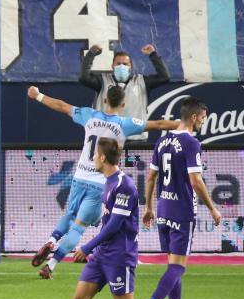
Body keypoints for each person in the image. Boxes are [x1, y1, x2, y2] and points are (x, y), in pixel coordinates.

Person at [26, 85, 178, 279]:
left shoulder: (89, 115)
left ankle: (51, 239)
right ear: (123, 104)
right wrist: (182, 126)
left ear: (105, 100)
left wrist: (38, 95)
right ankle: (51, 265)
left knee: (70, 214)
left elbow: (62, 106)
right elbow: (157, 125)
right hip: (99, 184)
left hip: (79, 177)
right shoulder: (125, 124)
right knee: (79, 226)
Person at [39, 138, 146, 299]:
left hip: (120, 254)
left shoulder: (124, 185)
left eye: (96, 155)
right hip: (102, 253)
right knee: (80, 298)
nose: (93, 158)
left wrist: (86, 247)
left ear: (104, 158)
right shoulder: (107, 182)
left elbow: (114, 225)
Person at [139, 98, 221, 299]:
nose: (204, 121)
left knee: (172, 264)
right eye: (203, 117)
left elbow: (150, 177)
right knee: (178, 267)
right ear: (194, 117)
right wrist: (213, 208)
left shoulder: (163, 140)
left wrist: (148, 208)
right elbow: (196, 182)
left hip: (163, 210)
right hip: (182, 212)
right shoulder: (191, 143)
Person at [80, 44, 170, 141]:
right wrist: (91, 54)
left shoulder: (142, 81)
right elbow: (84, 78)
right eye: (118, 64)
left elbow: (164, 77)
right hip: (107, 140)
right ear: (112, 66)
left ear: (130, 66)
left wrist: (153, 54)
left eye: (125, 64)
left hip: (136, 141)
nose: (121, 66)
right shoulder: (102, 81)